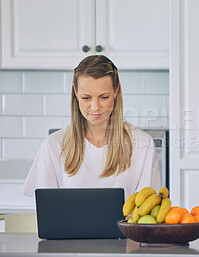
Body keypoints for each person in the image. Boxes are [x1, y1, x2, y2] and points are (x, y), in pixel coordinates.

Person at [22, 55, 161, 200]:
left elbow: (147, 212)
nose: (95, 107)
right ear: (76, 92)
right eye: (86, 98)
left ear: (116, 91)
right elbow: (47, 209)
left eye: (104, 97)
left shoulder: (143, 144)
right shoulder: (53, 144)